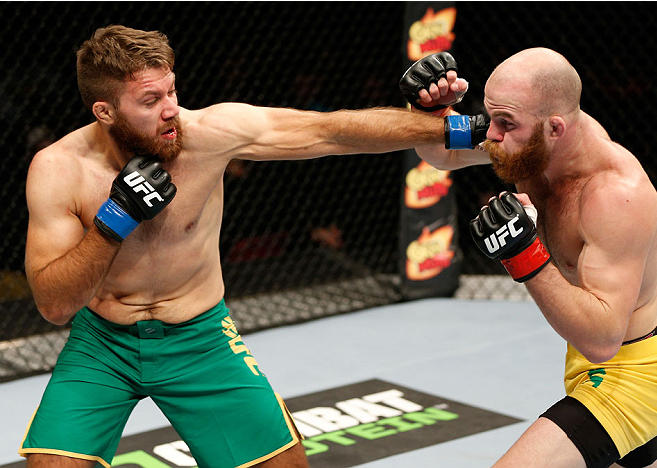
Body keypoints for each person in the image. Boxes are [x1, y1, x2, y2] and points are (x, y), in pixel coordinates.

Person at [20, 25, 469, 468]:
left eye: (172, 91)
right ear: (105, 111)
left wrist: (456, 129)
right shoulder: (60, 169)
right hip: (103, 343)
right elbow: (56, 306)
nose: (171, 109)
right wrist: (114, 220)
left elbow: (331, 130)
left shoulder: (209, 134)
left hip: (199, 336)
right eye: (150, 101)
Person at [402, 49, 657, 468]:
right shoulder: (527, 140)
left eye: (504, 123)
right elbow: (442, 155)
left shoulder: (615, 195)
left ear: (556, 127)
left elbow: (603, 338)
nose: (491, 134)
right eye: (490, 117)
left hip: (633, 375)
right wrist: (431, 110)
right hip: (585, 365)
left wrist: (524, 255)